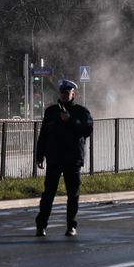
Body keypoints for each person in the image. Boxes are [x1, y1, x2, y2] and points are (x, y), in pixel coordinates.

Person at [34, 79, 93, 237]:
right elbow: (44, 135)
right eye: (62, 92)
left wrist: (71, 121)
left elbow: (87, 130)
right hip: (54, 158)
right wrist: (39, 156)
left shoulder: (81, 112)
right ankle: (41, 226)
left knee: (72, 194)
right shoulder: (51, 111)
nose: (64, 95)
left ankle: (71, 226)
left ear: (74, 94)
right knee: (48, 194)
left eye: (67, 93)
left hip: (72, 159)